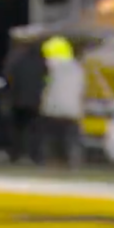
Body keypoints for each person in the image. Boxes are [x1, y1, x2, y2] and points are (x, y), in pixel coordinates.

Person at [40, 35, 86, 168]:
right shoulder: (78, 68)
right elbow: (81, 90)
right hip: (73, 110)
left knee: (52, 140)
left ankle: (52, 163)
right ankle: (72, 164)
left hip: (53, 110)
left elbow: (48, 87)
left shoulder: (53, 67)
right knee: (71, 140)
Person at [2, 37, 48, 164]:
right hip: (36, 101)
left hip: (18, 100)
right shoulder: (41, 62)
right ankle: (36, 156)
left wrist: (8, 95)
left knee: (17, 129)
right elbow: (46, 80)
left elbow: (8, 77)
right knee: (35, 130)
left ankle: (15, 154)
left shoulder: (16, 60)